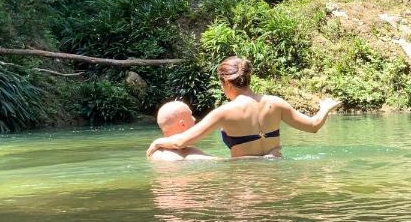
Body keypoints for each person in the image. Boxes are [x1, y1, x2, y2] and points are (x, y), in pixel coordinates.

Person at [146, 56, 341, 160]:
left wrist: (157, 143)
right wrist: (324, 107)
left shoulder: (224, 112)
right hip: (276, 173)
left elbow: (181, 142)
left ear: (227, 83)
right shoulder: (276, 103)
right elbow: (314, 125)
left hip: (244, 178)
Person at [149, 100, 214, 162]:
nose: (194, 119)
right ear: (182, 124)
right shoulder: (192, 154)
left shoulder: (154, 154)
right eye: (191, 116)